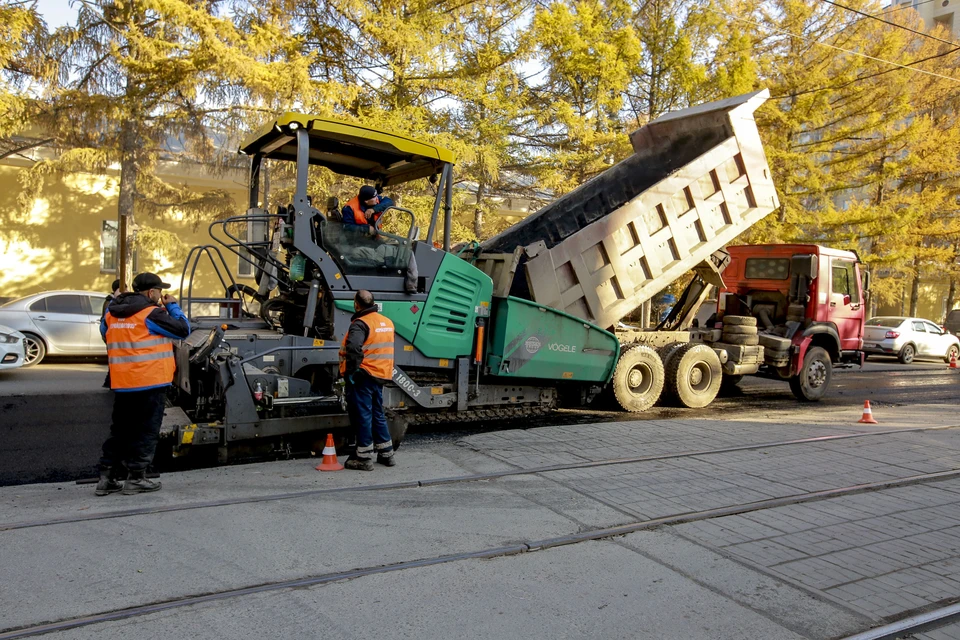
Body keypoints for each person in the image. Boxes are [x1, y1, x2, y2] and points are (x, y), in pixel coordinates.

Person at [95, 273, 191, 496]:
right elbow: (183, 329)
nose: (160, 296)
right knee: (146, 432)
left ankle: (106, 478)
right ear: (151, 293)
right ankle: (136, 478)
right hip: (150, 383)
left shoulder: (112, 312)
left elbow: (104, 334)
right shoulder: (151, 313)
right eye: (159, 291)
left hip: (122, 383)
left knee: (119, 430)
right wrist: (173, 306)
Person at [339, 290, 396, 470]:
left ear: (356, 304)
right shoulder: (386, 322)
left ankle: (363, 458)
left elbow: (354, 347)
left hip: (363, 376)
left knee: (362, 415)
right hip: (380, 374)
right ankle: (387, 454)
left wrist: (352, 372)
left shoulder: (360, 324)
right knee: (377, 414)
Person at [341, 185, 418, 294]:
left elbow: (389, 202)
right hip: (359, 243)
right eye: (374, 198)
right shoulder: (349, 208)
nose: (378, 199)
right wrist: (366, 229)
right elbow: (346, 228)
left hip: (373, 241)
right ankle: (410, 284)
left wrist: (373, 209)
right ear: (366, 201)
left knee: (397, 246)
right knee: (405, 253)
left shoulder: (374, 200)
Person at [101, 279, 123, 389]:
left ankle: (109, 381)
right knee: (114, 360)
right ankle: (110, 382)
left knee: (113, 360)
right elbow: (107, 320)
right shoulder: (111, 302)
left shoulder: (109, 300)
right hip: (111, 335)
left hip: (109, 334)